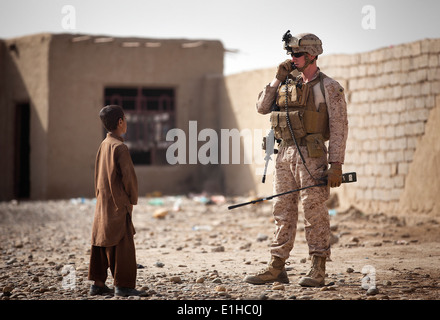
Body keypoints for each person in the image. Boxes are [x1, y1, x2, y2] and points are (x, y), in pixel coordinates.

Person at [244, 32, 348, 287]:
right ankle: (277, 265)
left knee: (314, 211)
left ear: (312, 55)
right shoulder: (284, 82)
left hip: (312, 156)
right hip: (285, 153)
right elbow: (261, 107)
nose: (293, 58)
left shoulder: (329, 87)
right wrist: (277, 77)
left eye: (298, 54)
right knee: (282, 211)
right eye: (290, 53)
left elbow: (339, 127)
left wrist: (336, 165)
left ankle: (318, 266)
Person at [88, 105, 145, 297]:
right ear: (120, 122)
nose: (126, 123)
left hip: (102, 202)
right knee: (123, 244)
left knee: (101, 240)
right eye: (125, 119)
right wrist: (131, 200)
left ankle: (97, 283)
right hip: (119, 202)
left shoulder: (103, 145)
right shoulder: (120, 147)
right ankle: (124, 285)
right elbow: (129, 178)